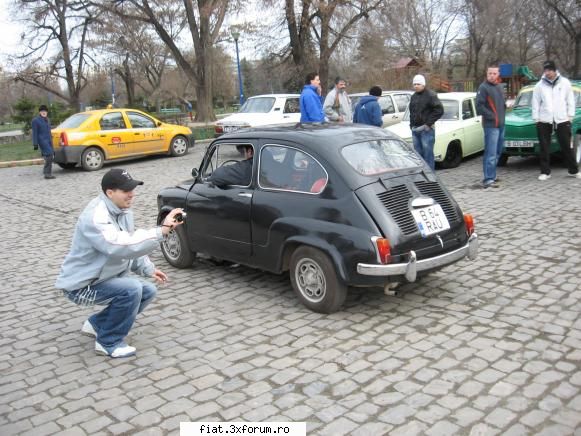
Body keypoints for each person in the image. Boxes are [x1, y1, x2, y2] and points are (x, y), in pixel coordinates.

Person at [55, 168, 184, 358]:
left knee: (148, 291)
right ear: (110, 193)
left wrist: (148, 268)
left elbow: (128, 240)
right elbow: (120, 245)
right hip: (81, 287)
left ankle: (97, 324)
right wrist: (161, 231)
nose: (131, 194)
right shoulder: (96, 216)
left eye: (132, 188)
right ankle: (108, 342)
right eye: (126, 190)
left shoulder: (122, 211)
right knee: (131, 289)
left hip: (102, 279)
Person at [532, 60, 580, 180]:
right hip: (544, 119)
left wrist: (570, 116)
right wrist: (536, 119)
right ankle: (545, 172)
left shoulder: (565, 83)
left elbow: (570, 100)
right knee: (544, 146)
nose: (547, 73)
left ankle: (573, 170)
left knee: (566, 145)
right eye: (545, 70)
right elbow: (535, 102)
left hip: (562, 119)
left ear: (554, 70)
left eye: (549, 70)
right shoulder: (539, 85)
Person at [476, 65, 506, 188]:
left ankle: (492, 175)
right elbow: (479, 106)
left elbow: (501, 104)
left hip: (501, 125)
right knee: (491, 152)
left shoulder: (499, 87)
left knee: (498, 151)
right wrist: (492, 116)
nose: (492, 75)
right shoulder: (483, 88)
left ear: (498, 74)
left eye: (494, 73)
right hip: (491, 125)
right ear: (487, 74)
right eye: (490, 73)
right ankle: (488, 179)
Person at [408, 74, 444, 170]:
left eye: (418, 84)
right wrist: (411, 125)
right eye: (414, 84)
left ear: (423, 84)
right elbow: (411, 112)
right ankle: (422, 176)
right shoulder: (413, 97)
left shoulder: (431, 95)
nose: (416, 86)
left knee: (428, 155)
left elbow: (439, 110)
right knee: (418, 156)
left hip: (426, 130)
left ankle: (430, 177)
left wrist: (428, 124)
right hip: (415, 129)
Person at [31, 104, 55, 179]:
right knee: (49, 155)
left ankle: (48, 173)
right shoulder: (35, 120)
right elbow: (34, 133)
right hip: (42, 141)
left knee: (50, 156)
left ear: (47, 112)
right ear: (40, 112)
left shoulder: (48, 119)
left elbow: (49, 131)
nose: (44, 112)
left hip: (49, 141)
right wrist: (35, 144)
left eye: (45, 111)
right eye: (42, 111)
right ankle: (47, 173)